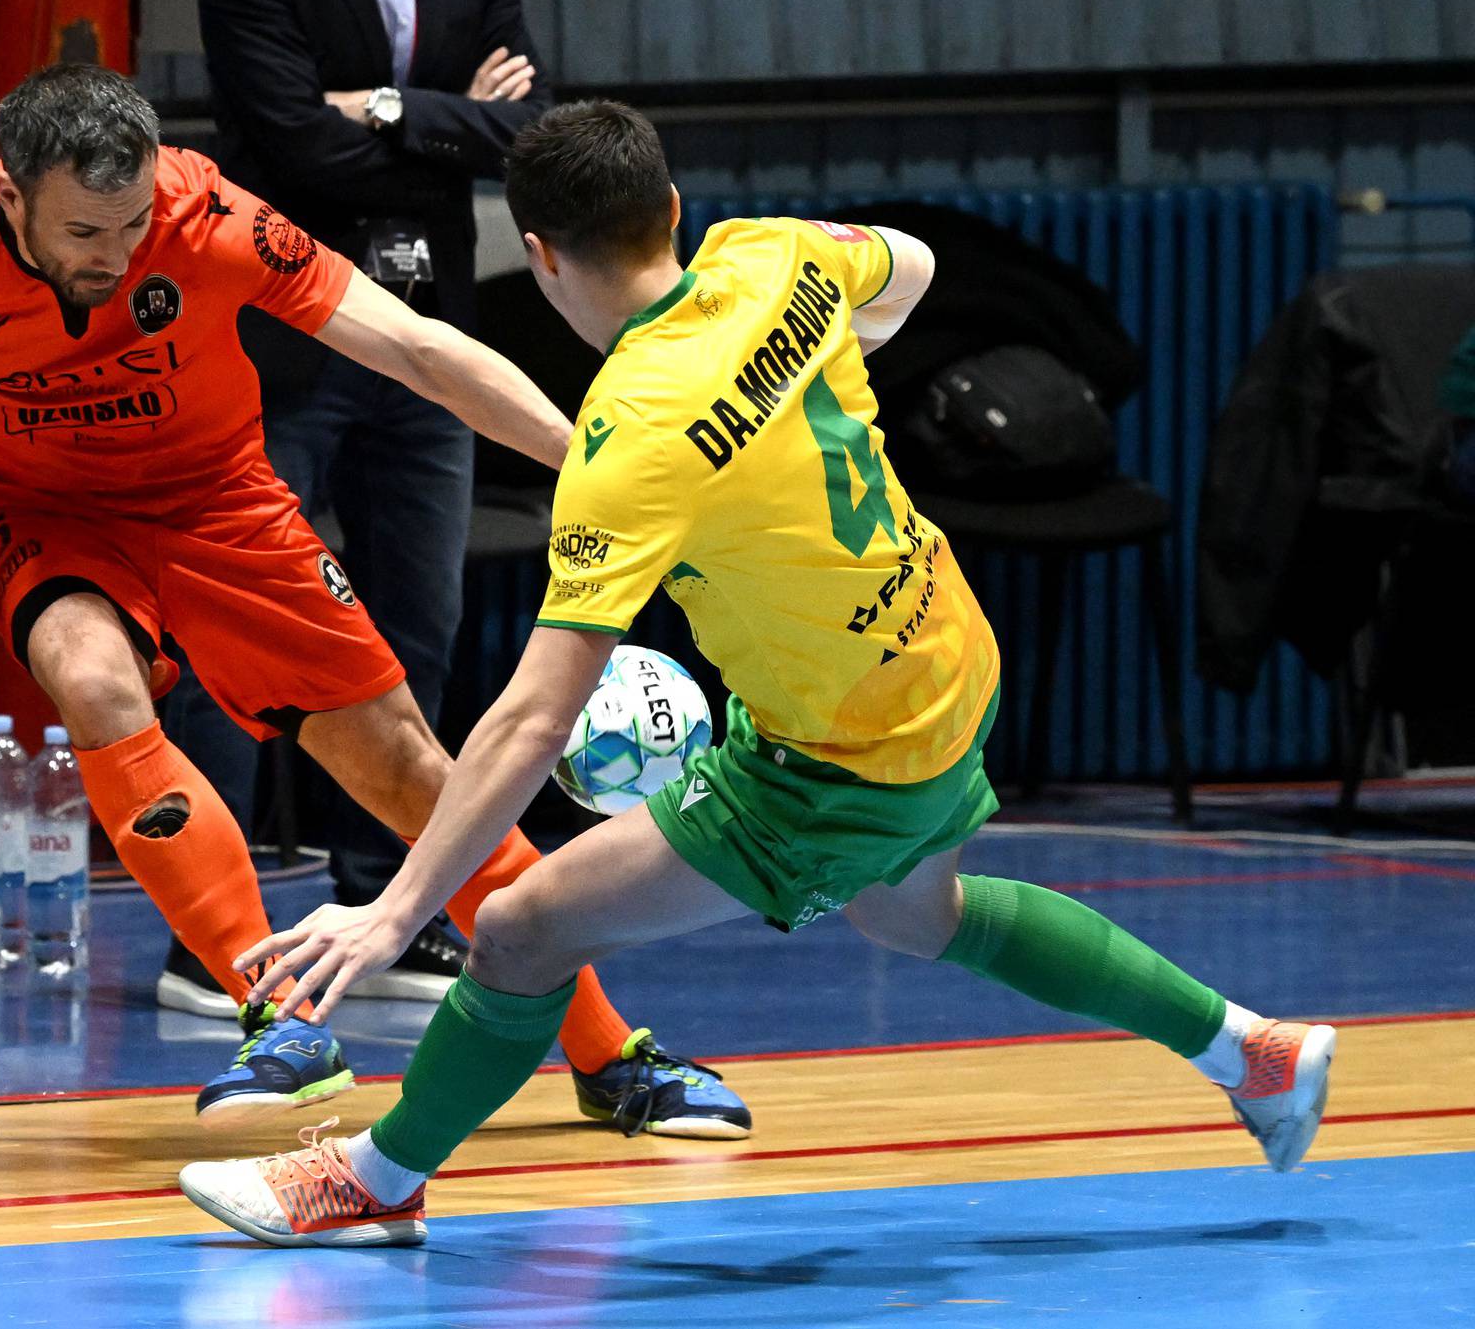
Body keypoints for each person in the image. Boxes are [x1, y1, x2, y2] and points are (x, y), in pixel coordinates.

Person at [176, 101, 1339, 1247]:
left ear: (537, 257)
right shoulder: (771, 253)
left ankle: (376, 1181)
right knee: (918, 916)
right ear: (673, 209)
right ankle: (1256, 1053)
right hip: (945, 659)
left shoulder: (626, 439)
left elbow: (534, 714)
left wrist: (394, 910)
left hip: (835, 763)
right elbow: (917, 267)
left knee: (522, 931)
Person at [0, 68, 748, 1137]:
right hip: (38, 515)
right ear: (12, 198)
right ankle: (282, 1020)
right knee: (96, 682)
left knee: (413, 773)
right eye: (85, 234)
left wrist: (599, 462)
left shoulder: (208, 218)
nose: (118, 252)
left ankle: (612, 1057)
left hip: (223, 507)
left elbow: (417, 348)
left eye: (131, 222)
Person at [153, 0, 554, 1012]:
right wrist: (449, 127)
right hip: (283, 341)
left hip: (428, 330)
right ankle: (216, 934)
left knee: (419, 621)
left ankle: (391, 904)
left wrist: (384, 110)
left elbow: (533, 133)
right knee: (233, 632)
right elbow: (285, 139)